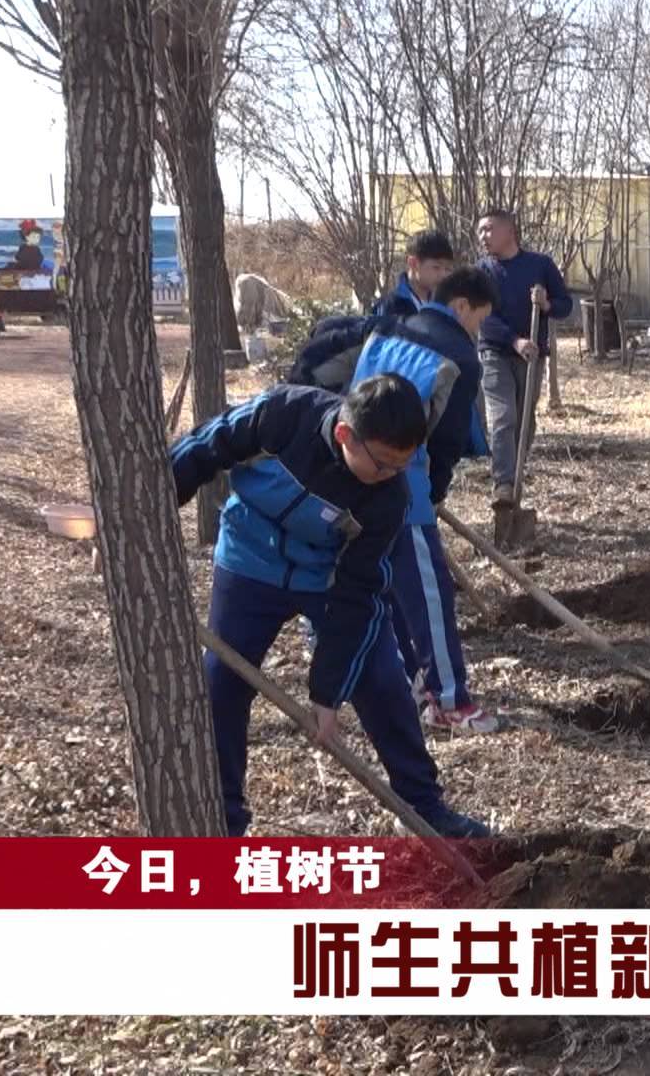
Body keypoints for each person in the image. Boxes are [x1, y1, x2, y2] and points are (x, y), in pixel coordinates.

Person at [170, 374, 492, 840]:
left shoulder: (388, 498)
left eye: (402, 465)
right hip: (249, 560)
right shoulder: (282, 415)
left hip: (326, 576)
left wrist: (327, 694)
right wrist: (145, 508)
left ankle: (424, 808)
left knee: (382, 677)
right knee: (221, 685)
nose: (391, 476)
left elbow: (357, 595)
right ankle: (224, 820)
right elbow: (204, 446)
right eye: (382, 464)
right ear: (346, 435)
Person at [348, 265, 498, 735]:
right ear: (460, 307)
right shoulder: (458, 355)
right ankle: (451, 702)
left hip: (355, 464)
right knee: (429, 595)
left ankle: (413, 686)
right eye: (479, 320)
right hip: (404, 482)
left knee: (390, 586)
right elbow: (449, 440)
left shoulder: (393, 323)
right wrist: (430, 498)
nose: (478, 332)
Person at [474, 208, 573, 509]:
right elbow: (481, 316)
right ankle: (503, 484)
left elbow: (565, 305)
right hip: (495, 353)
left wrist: (545, 305)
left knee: (524, 423)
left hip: (532, 357)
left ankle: (516, 479)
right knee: (503, 417)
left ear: (509, 231)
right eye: (480, 231)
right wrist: (514, 340)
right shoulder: (482, 271)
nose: (483, 236)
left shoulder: (539, 265)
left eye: (489, 229)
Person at [289, 230, 459, 391]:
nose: (443, 275)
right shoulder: (391, 307)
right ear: (413, 263)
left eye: (447, 269)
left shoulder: (442, 306)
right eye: (436, 267)